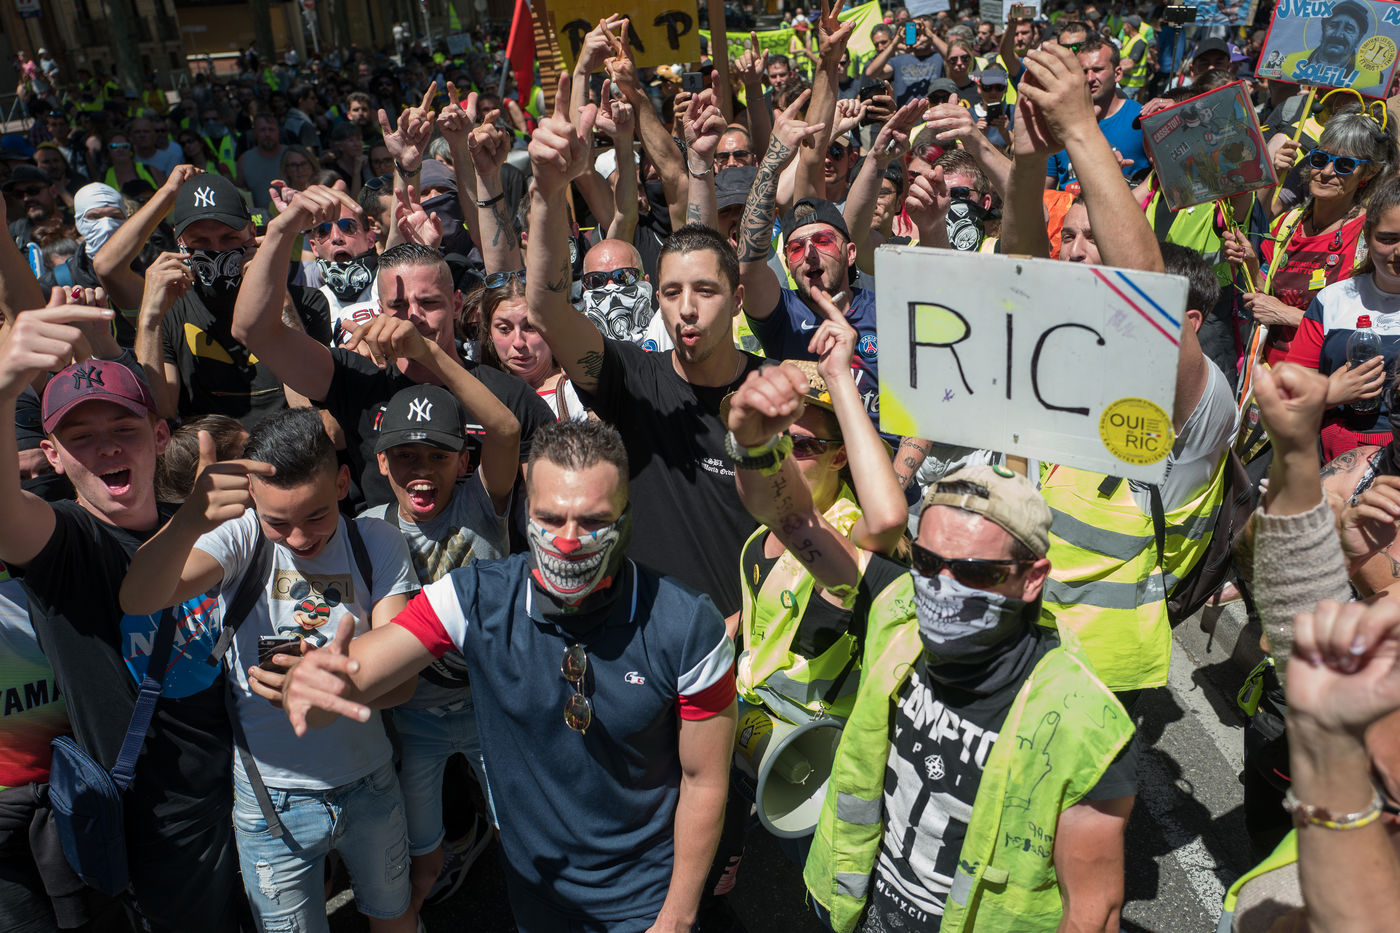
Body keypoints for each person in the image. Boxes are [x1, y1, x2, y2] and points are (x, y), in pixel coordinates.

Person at [280, 418, 737, 933]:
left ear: (626, 518)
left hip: (645, 902)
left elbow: (704, 779)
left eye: (592, 521)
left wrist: (676, 918)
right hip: (537, 892)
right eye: (550, 517)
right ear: (525, 512)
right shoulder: (476, 598)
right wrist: (318, 683)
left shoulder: (687, 628)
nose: (568, 542)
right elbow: (362, 670)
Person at [722, 361, 1135, 930]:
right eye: (928, 562)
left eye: (974, 571)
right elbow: (791, 517)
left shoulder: (1082, 721)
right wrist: (752, 444)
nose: (943, 587)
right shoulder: (899, 610)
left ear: (1032, 578)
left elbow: (1094, 910)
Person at [119, 407, 421, 933]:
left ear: (343, 483)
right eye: (278, 521)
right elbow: (139, 597)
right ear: (253, 500)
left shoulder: (378, 542)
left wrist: (334, 689)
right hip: (270, 799)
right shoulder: (240, 538)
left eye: (317, 516)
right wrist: (189, 521)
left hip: (369, 783)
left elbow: (404, 682)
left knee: (394, 916)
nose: (299, 538)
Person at [0, 315, 242, 932]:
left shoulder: (196, 516)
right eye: (80, 438)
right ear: (52, 456)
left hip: (252, 780)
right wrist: (3, 393)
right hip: (161, 825)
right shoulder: (66, 543)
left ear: (160, 436)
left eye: (124, 428)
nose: (106, 448)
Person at [521, 75, 766, 618]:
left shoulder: (774, 393)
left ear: (737, 300)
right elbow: (548, 309)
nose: (687, 308)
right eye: (672, 293)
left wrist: (748, 625)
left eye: (706, 291)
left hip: (751, 647)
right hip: (643, 644)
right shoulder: (630, 380)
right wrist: (547, 193)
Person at [230, 186, 552, 512]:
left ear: (456, 304)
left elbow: (545, 507)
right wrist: (281, 229)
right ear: (380, 309)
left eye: (429, 302)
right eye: (398, 305)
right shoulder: (358, 378)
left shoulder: (509, 396)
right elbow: (253, 331)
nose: (413, 316)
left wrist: (429, 355)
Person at [358, 382, 517, 911]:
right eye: (405, 455)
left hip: (491, 710)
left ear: (465, 461)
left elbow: (507, 430)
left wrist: (429, 352)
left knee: (524, 840)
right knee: (423, 860)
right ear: (382, 462)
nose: (421, 469)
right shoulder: (366, 530)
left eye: (438, 455)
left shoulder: (482, 503)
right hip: (415, 722)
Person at [115, 171, 331, 426]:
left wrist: (277, 291)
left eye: (229, 238)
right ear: (180, 241)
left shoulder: (307, 304)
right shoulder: (172, 309)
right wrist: (149, 319)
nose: (216, 250)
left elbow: (307, 408)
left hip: (286, 446)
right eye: (201, 241)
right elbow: (159, 416)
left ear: (251, 231)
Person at [1225, 112, 1395, 367]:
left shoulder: (1369, 235)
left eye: (1344, 165)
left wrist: (1287, 315)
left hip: (1326, 377)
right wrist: (1249, 263)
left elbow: (1371, 323)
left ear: (1368, 173)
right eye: (1320, 159)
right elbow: (1266, 296)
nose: (1326, 172)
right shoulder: (1289, 222)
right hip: (1269, 371)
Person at [1284, 175, 1400, 458]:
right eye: (1387, 239)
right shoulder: (1333, 300)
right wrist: (1328, 394)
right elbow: (1287, 396)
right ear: (1367, 236)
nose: (1398, 252)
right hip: (1333, 459)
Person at [1044, 36, 1149, 189]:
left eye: (1098, 70)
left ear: (1117, 74)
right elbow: (1044, 190)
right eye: (1084, 71)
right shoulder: (1059, 125)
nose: (1090, 78)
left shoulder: (1141, 119)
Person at [1277, 0, 1378, 88]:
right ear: (1323, 29)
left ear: (1359, 38)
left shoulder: (1374, 78)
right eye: (1333, 25)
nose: (1338, 34)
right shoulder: (1287, 61)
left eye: (1349, 29)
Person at [6, 164, 68, 249]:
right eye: (19, 194)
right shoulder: (15, 233)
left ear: (53, 191)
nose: (26, 198)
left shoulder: (77, 221)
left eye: (33, 191)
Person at [237, 112, 287, 209]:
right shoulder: (244, 160)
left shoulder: (292, 156)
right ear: (255, 132)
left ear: (278, 131)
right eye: (262, 130)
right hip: (259, 217)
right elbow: (240, 192)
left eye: (271, 129)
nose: (267, 134)